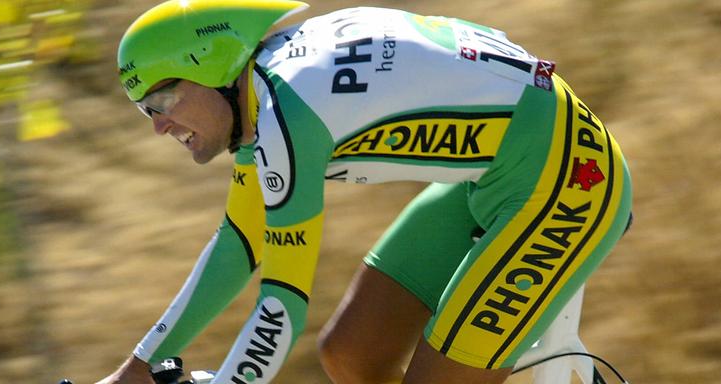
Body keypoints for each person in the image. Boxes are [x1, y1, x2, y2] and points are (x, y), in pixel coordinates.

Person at [102, 0, 633, 383]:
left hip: (567, 180)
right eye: (144, 110)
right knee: (352, 354)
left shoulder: (286, 112)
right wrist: (138, 366)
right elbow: (241, 244)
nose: (157, 126)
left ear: (212, 67)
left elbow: (282, 305)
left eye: (164, 100)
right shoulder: (262, 97)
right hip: (501, 171)